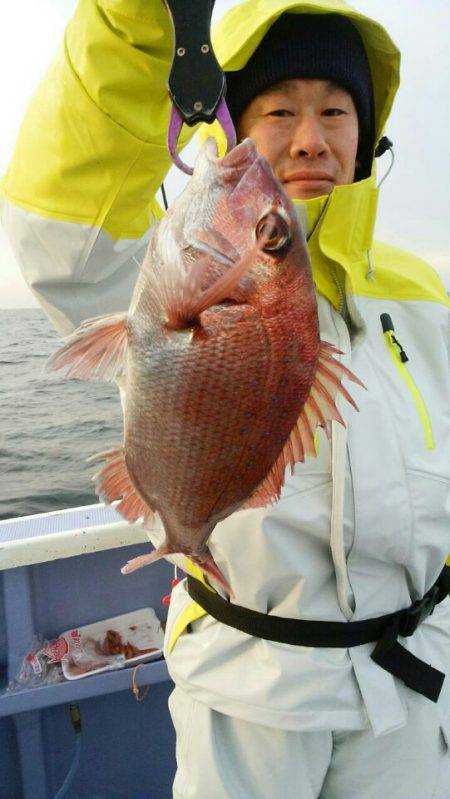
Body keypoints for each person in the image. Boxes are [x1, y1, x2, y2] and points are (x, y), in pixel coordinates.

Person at [1, 0, 450, 796]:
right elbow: (63, 242)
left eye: (336, 110)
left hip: (414, 693)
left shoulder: (426, 298)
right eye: (278, 110)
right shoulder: (166, 276)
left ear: (366, 130)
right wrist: (135, 24)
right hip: (249, 696)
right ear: (226, 128)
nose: (310, 135)